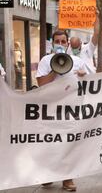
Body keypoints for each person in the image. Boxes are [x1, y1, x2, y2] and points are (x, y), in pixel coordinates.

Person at [35, 30, 87, 192]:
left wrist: (83, 76)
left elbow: (89, 85)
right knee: (51, 142)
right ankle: (49, 174)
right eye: (57, 41)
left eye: (63, 41)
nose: (60, 44)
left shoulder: (78, 61)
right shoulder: (45, 60)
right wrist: (55, 68)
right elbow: (42, 83)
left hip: (71, 108)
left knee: (69, 142)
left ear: (67, 44)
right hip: (50, 108)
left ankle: (67, 178)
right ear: (52, 43)